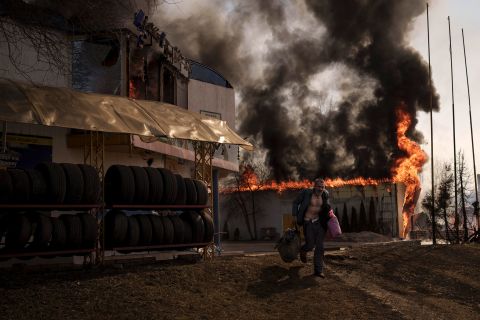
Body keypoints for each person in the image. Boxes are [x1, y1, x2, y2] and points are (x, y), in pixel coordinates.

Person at [291, 178, 331, 278]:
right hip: (307, 222)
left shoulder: (325, 194)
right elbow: (295, 202)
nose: (320, 189)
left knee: (320, 246)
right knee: (310, 244)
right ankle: (303, 250)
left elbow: (327, 207)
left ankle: (318, 270)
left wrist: (330, 217)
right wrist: (295, 215)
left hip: (319, 223)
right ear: (314, 186)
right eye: (318, 186)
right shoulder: (306, 193)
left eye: (322, 187)